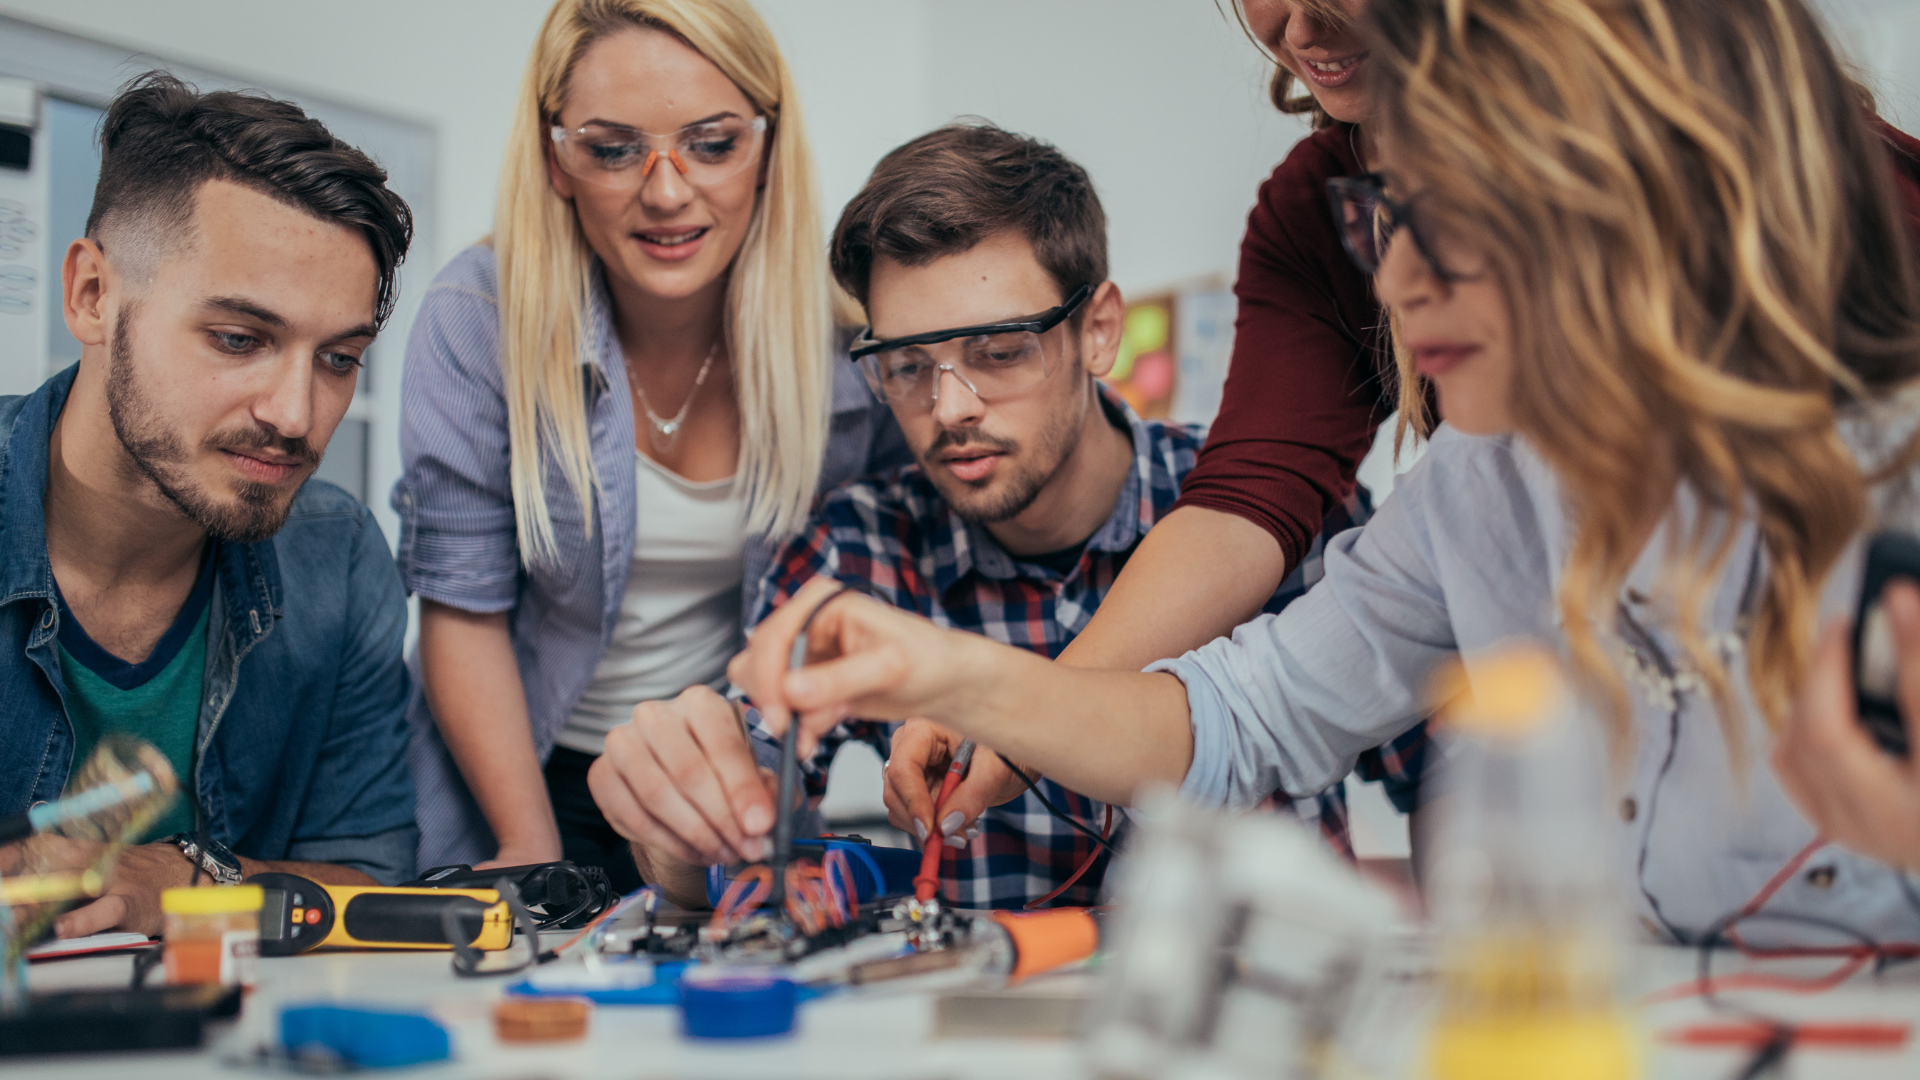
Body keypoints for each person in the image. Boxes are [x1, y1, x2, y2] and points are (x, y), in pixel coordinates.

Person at [729, 0, 1920, 943]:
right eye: (1385, 220)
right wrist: (961, 677)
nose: (1390, 285)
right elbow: (1242, 710)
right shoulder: (1473, 489)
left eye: (1451, 219)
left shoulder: (1885, 467)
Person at [587, 124, 1424, 908]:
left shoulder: (1287, 518)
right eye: (907, 365)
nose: (950, 407)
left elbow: (1451, 782)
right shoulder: (856, 548)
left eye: (998, 352)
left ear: (1099, 331)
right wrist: (679, 815)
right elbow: (737, 828)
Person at [396, 0, 906, 887]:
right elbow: (461, 610)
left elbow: (895, 587)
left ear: (767, 146)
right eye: (612, 150)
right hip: (514, 778)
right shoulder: (477, 318)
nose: (667, 192)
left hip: (714, 793)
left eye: (712, 144)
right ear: (556, 159)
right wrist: (531, 852)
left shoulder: (850, 354)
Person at [0, 72, 418, 938]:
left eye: (338, 359)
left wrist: (192, 879)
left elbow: (375, 884)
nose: (295, 415)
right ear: (93, 296)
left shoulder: (336, 556)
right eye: (238, 339)